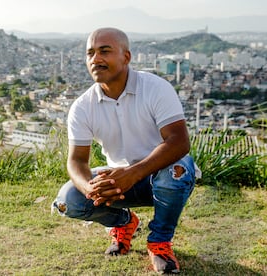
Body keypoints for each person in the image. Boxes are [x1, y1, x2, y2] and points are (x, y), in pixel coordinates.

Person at [52, 27, 196, 274]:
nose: (96, 59)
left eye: (104, 51)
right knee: (68, 201)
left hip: (160, 175)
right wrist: (90, 188)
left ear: (126, 57)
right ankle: (124, 223)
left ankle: (159, 242)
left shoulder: (155, 88)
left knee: (177, 171)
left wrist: (134, 173)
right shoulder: (83, 106)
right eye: (90, 53)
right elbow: (76, 161)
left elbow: (179, 141)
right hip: (119, 182)